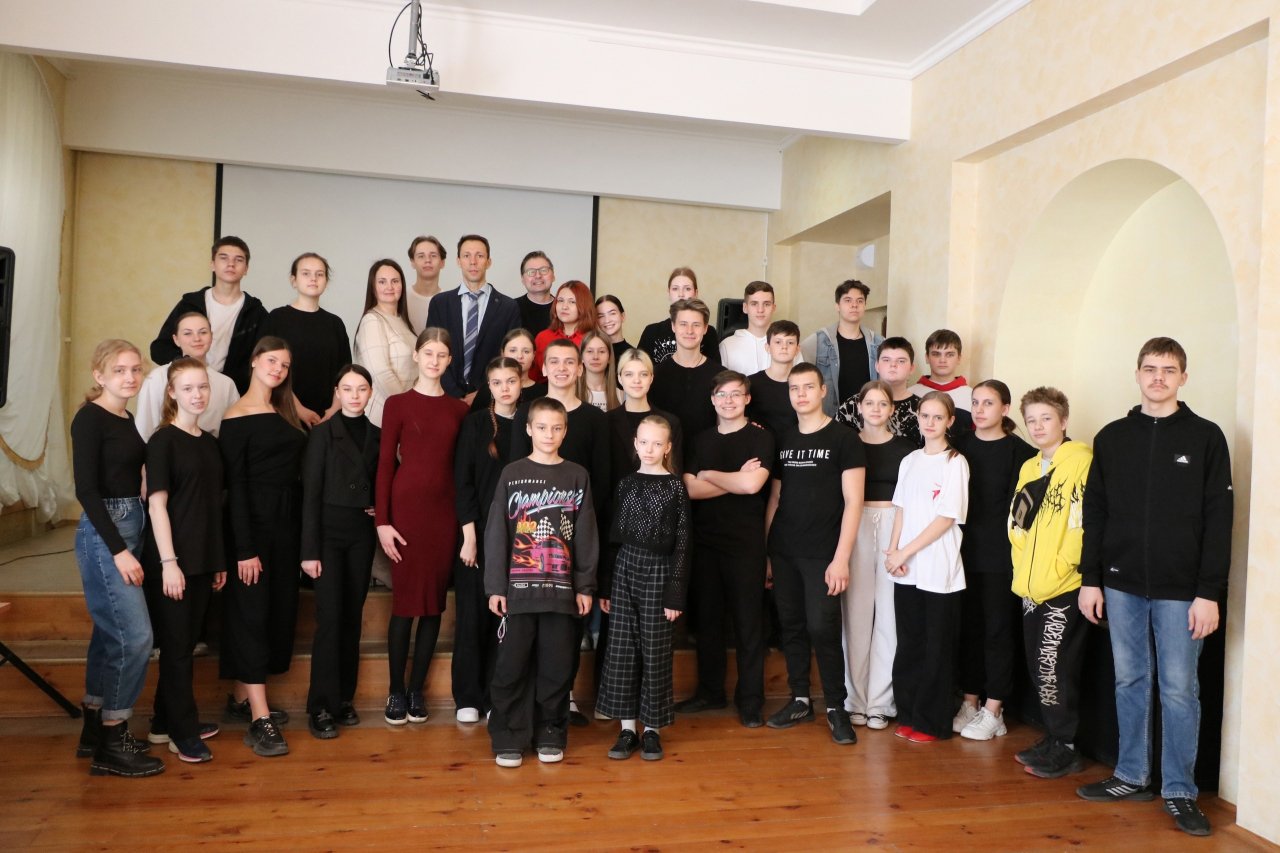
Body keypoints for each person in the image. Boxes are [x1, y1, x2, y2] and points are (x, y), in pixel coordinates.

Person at [1076, 338, 1232, 838]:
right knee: (1129, 681)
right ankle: (1131, 775)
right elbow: (1095, 513)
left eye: (1168, 369)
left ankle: (1180, 790)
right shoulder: (1112, 437)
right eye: (1150, 368)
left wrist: (1210, 592)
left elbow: (1219, 519)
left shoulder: (1206, 437)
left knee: (1179, 690)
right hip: (1120, 584)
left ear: (1183, 377)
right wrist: (1091, 579)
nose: (1158, 377)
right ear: (1137, 374)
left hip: (1183, 591)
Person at [484, 397, 599, 768]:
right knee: (511, 667)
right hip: (518, 592)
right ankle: (508, 735)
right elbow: (497, 533)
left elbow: (586, 534)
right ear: (529, 429)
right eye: (542, 427)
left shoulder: (577, 475)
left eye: (557, 428)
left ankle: (550, 731)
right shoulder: (512, 474)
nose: (549, 434)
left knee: (557, 666)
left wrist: (584, 585)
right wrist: (495, 586)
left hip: (561, 592)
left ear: (565, 431)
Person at [70, 339, 165, 778]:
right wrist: (120, 551)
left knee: (108, 635)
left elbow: (125, 468)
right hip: (106, 533)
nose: (130, 377)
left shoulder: (125, 418)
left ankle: (93, 728)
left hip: (131, 522)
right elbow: (86, 490)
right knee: (136, 636)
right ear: (99, 375)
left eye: (135, 369)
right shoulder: (89, 418)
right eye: (120, 370)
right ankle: (114, 736)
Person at [510, 337, 610, 725]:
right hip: (531, 538)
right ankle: (525, 703)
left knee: (567, 626)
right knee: (528, 629)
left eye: (571, 361)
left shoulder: (595, 419)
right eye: (555, 361)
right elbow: (516, 474)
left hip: (574, 535)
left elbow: (601, 482)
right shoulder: (526, 413)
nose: (563, 368)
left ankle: (562, 698)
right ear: (544, 367)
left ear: (580, 368)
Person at [764, 363, 863, 745]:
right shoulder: (785, 439)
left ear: (823, 391)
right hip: (784, 550)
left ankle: (836, 707)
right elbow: (775, 497)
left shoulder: (844, 438)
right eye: (794, 388)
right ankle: (800, 699)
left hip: (824, 553)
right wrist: (767, 552)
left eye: (808, 387)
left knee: (823, 628)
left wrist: (841, 558)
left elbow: (854, 502)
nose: (801, 394)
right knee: (791, 626)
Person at [375, 328, 470, 726]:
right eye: (428, 352)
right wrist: (382, 522)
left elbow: (462, 471)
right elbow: (384, 465)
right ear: (416, 356)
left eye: (442, 354)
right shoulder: (397, 404)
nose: (434, 360)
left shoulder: (459, 410)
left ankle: (417, 690)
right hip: (406, 513)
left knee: (432, 606)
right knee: (405, 605)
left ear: (450, 361)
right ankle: (395, 690)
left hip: (443, 516)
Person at [218, 337, 307, 758]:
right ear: (254, 361)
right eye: (272, 361)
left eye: (284, 365)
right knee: (251, 615)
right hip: (252, 527)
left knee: (274, 612)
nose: (278, 369)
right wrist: (243, 549)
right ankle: (259, 717)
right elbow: (234, 487)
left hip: (285, 525)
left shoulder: (284, 410)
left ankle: (240, 698)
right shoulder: (236, 416)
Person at [142, 358, 225, 763]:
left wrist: (217, 560)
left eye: (202, 387)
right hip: (172, 561)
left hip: (202, 558)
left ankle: (162, 722)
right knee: (176, 649)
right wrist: (169, 563)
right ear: (172, 393)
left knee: (186, 644)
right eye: (188, 388)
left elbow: (210, 506)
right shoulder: (163, 442)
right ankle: (182, 731)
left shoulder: (209, 441)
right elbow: (157, 506)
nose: (197, 395)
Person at [679, 370, 773, 728]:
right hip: (705, 543)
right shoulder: (700, 439)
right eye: (722, 394)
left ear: (747, 399)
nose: (728, 401)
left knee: (749, 624)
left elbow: (752, 486)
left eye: (736, 394)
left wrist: (709, 475)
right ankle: (710, 691)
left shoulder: (761, 437)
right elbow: (689, 489)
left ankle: (750, 700)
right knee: (708, 623)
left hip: (746, 544)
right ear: (712, 400)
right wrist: (735, 476)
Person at [1008, 386, 1092, 777]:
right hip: (1030, 585)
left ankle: (1068, 746)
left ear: (1063, 421)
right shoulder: (1029, 467)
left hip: (1064, 585)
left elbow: (1081, 523)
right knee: (1037, 665)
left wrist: (1061, 566)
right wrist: (1022, 567)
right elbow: (1017, 523)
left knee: (1054, 665)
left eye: (1046, 418)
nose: (1039, 426)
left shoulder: (1081, 462)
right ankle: (1055, 736)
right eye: (1032, 421)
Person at [597, 415, 691, 761]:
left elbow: (683, 542)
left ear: (667, 448)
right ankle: (627, 730)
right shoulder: (625, 484)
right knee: (622, 649)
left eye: (657, 443)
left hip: (659, 571)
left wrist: (675, 592)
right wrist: (607, 587)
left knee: (655, 650)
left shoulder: (675, 487)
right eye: (644, 442)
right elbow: (613, 539)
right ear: (635, 444)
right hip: (625, 569)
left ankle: (652, 730)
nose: (650, 449)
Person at [951, 380, 1036, 741]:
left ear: (1005, 409)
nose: (980, 409)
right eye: (975, 402)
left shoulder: (1022, 453)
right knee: (969, 629)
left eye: (988, 403)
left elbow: (1026, 512)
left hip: (1002, 556)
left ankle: (995, 709)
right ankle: (970, 701)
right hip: (962, 553)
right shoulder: (959, 447)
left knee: (998, 631)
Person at [300, 365, 381, 739]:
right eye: (347, 388)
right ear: (336, 391)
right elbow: (311, 493)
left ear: (370, 393)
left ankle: (344, 699)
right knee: (330, 619)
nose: (354, 395)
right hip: (328, 536)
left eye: (361, 389)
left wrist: (380, 505)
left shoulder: (378, 434)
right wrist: (309, 551)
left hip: (361, 534)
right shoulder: (322, 434)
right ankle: (320, 705)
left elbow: (386, 480)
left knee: (352, 617)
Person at [884, 391, 970, 743]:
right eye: (925, 415)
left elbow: (946, 518)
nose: (930, 422)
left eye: (938, 417)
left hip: (938, 569)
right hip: (906, 568)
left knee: (936, 648)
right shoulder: (910, 460)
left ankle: (932, 723)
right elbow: (900, 509)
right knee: (910, 644)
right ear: (917, 418)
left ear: (950, 421)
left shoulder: (955, 463)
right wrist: (893, 552)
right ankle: (908, 714)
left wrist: (905, 552)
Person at [453, 356, 523, 724]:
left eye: (511, 381)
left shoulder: (531, 423)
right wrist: (469, 536)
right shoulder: (476, 423)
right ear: (489, 387)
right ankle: (467, 696)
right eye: (497, 382)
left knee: (506, 618)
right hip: (478, 533)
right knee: (472, 615)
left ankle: (498, 695)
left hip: (520, 535)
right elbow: (462, 481)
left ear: (521, 382)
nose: (505, 388)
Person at [842, 380, 915, 731]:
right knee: (855, 616)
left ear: (892, 409)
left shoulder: (906, 449)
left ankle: (881, 703)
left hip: (893, 527)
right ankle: (854, 700)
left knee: (889, 617)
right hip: (854, 524)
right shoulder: (846, 443)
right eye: (869, 403)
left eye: (882, 403)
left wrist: (898, 544)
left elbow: (910, 500)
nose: (875, 409)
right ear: (859, 407)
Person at [150, 236, 267, 394]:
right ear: (212, 264)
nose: (231, 264)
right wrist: (186, 365)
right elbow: (159, 348)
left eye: (238, 260)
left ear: (246, 268)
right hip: (188, 389)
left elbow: (263, 359)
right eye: (223, 258)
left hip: (233, 392)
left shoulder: (256, 312)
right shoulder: (190, 304)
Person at [425, 234, 522, 403]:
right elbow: (431, 350)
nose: (473, 262)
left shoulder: (508, 307)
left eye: (480, 256)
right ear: (458, 261)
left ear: (488, 262)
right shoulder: (440, 303)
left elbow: (510, 358)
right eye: (466, 256)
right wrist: (455, 395)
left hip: (491, 399)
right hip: (445, 396)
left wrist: (483, 393)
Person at [263, 252, 351, 426]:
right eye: (306, 273)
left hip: (328, 417)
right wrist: (299, 410)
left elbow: (345, 372)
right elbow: (268, 369)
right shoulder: (277, 318)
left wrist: (334, 409)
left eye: (320, 274)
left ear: (326, 281)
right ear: (293, 280)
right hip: (285, 413)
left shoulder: (335, 323)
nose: (313, 279)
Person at [135, 311, 239, 440]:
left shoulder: (226, 384)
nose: (197, 338)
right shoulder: (156, 378)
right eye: (187, 333)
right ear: (176, 339)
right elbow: (144, 430)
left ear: (211, 337)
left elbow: (233, 432)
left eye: (203, 332)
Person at [649, 298, 720, 468]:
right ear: (673, 326)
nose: (689, 331)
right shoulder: (655, 375)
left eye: (696, 325)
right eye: (683, 324)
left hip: (707, 463)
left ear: (705, 329)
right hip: (664, 463)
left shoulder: (720, 375)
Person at [799, 279, 883, 416]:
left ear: (865, 306)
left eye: (860, 301)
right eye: (848, 300)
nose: (854, 305)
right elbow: (800, 376)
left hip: (868, 417)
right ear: (837, 306)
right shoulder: (818, 341)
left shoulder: (878, 343)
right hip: (830, 418)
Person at [353, 259, 417, 428]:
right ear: (373, 288)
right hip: (383, 415)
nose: (389, 287)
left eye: (395, 281)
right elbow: (381, 373)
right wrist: (409, 409)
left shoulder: (402, 321)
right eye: (382, 282)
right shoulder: (372, 320)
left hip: (406, 413)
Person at [835, 337, 922, 445]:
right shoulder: (852, 406)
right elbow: (835, 446)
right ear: (877, 366)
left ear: (911, 368)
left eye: (901, 361)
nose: (893, 365)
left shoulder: (922, 409)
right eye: (886, 360)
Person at [637, 267, 720, 365]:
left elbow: (715, 370)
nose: (681, 294)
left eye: (687, 289)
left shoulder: (709, 332)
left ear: (696, 293)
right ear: (669, 293)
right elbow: (638, 368)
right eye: (675, 289)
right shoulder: (651, 331)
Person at [469, 327, 547, 413]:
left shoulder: (543, 394)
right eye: (513, 350)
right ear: (503, 353)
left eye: (526, 351)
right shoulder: (487, 390)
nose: (519, 356)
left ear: (534, 355)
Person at [532, 280, 596, 382]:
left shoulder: (593, 340)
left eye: (572, 302)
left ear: (584, 305)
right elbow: (533, 378)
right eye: (560, 301)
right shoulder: (543, 337)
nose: (564, 306)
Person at [747, 320, 800, 440]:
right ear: (767, 347)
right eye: (778, 342)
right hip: (760, 447)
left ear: (797, 349)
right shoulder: (751, 383)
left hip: (795, 448)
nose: (784, 347)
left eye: (790, 342)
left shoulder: (803, 385)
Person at [718, 281, 775, 375]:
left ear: (773, 308)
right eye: (754, 304)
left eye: (766, 304)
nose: (760, 310)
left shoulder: (787, 344)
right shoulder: (727, 345)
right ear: (745, 307)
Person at [909, 329, 972, 411]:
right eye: (936, 354)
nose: (942, 360)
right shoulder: (910, 394)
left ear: (959, 358)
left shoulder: (972, 397)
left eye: (950, 355)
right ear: (927, 358)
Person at [405, 235, 447, 333]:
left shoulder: (448, 302)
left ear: (442, 262)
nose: (427, 260)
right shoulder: (401, 298)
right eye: (421, 256)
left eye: (433, 255)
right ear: (412, 262)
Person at [516, 250, 555, 336]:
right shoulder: (511, 308)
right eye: (531, 272)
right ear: (522, 279)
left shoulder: (563, 309)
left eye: (544, 270)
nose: (538, 276)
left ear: (553, 276)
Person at [578, 330, 619, 411]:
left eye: (601, 351)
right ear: (581, 357)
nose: (595, 357)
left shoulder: (621, 395)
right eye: (590, 351)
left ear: (609, 357)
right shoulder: (570, 393)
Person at [595, 294, 632, 365]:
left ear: (622, 316)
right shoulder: (593, 354)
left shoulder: (633, 355)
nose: (607, 320)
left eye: (612, 313)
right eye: (601, 316)